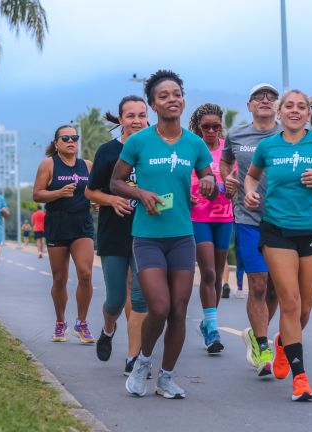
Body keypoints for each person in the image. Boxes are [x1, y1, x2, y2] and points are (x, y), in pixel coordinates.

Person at [110, 69, 216, 399]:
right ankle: (143, 361)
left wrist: (210, 184)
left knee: (179, 310)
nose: (172, 100)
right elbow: (115, 183)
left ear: (183, 99)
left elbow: (208, 180)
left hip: (183, 236)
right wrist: (140, 194)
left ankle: (166, 377)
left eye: (176, 94)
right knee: (159, 307)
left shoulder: (195, 143)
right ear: (154, 105)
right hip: (147, 236)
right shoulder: (140, 141)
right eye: (164, 96)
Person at [244, 90, 312, 401]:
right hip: (276, 230)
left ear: (308, 113)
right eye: (288, 106)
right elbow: (252, 177)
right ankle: (300, 378)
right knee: (289, 302)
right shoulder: (268, 146)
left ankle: (282, 344)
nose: (294, 111)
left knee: (303, 310)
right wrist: (251, 192)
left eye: (300, 107)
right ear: (279, 112)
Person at [220, 83, 282, 377]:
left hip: (283, 221)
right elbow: (224, 161)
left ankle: (257, 333)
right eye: (259, 97)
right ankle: (263, 345)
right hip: (248, 218)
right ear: (249, 105)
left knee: (275, 289)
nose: (265, 100)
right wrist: (228, 181)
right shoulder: (236, 134)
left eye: (270, 97)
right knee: (257, 284)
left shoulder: (287, 134)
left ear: (277, 105)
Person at [85, 95, 150, 375]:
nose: (137, 121)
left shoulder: (154, 149)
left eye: (141, 115)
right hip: (113, 234)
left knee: (140, 299)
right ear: (121, 120)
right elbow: (90, 191)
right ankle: (108, 328)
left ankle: (134, 358)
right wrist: (111, 200)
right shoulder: (108, 151)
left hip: (146, 234)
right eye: (130, 116)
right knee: (114, 300)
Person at [33, 125, 96, 344]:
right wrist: (58, 193)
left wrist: (96, 201)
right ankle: (61, 321)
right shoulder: (49, 164)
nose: (71, 141)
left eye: (74, 137)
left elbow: (94, 191)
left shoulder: (87, 165)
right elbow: (37, 194)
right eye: (66, 138)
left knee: (86, 273)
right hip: (57, 224)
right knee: (60, 279)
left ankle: (82, 322)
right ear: (57, 143)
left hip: (82, 225)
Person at [187, 103, 233, 354]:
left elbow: (236, 180)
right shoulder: (192, 148)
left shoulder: (229, 149)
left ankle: (208, 321)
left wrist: (229, 189)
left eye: (216, 126)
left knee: (216, 271)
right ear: (198, 127)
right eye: (206, 127)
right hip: (199, 217)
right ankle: (213, 330)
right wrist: (187, 195)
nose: (212, 131)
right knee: (208, 272)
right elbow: (181, 178)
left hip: (224, 217)